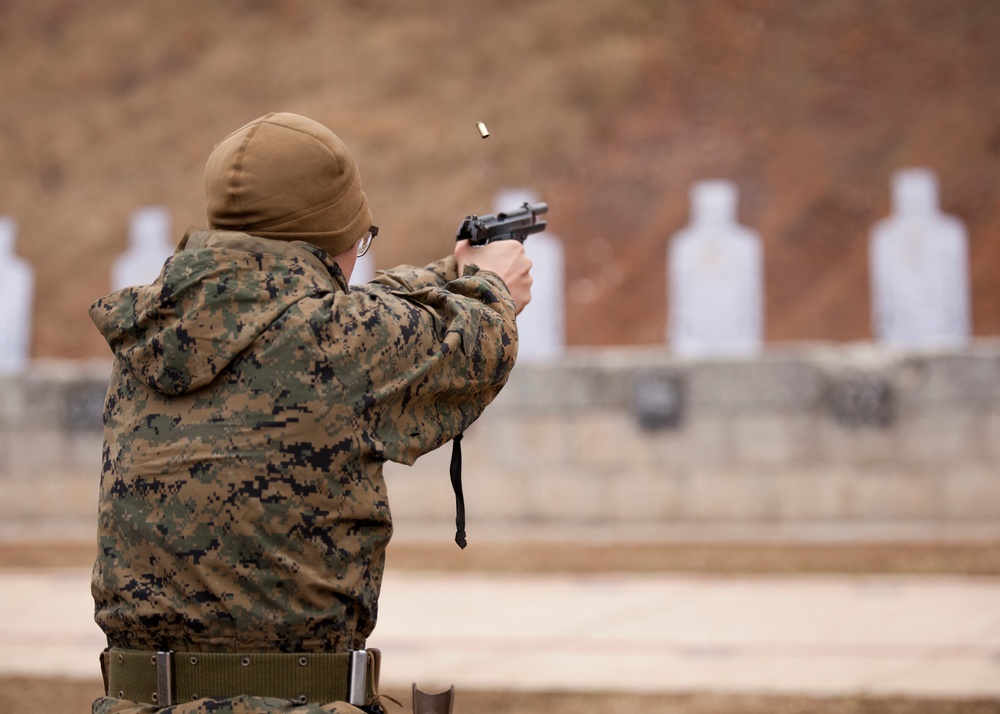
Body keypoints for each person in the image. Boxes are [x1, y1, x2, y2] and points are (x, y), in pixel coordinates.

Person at [89, 112, 533, 714]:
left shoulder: (155, 330)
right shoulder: (346, 342)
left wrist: (446, 273)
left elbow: (329, 316)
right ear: (326, 242)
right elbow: (474, 342)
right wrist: (493, 287)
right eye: (358, 241)